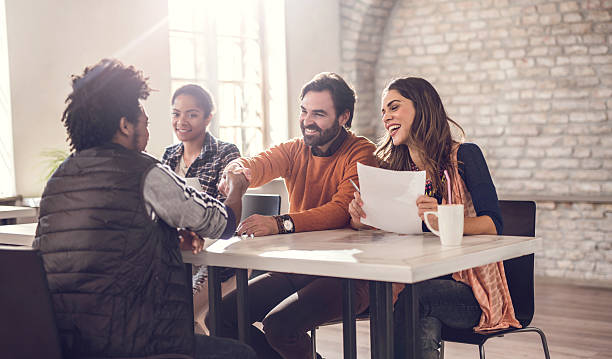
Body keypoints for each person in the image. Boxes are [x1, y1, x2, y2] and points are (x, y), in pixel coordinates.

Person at [33, 59, 256, 359]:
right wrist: (238, 188)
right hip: (135, 342)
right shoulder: (144, 170)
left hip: (66, 343)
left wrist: (165, 235)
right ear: (125, 125)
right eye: (145, 122)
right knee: (241, 354)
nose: (149, 130)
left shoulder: (59, 178)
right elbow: (222, 223)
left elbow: (108, 242)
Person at [208, 72, 378, 359]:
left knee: (280, 326)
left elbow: (340, 210)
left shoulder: (362, 152)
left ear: (343, 117)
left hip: (348, 275)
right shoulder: (295, 149)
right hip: (299, 267)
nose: (307, 121)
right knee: (220, 318)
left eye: (319, 114)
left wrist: (280, 223)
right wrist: (237, 169)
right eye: (304, 111)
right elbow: (258, 164)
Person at [348, 77, 520, 359]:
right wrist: (361, 217)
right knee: (399, 300)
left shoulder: (465, 156)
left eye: (394, 107)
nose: (386, 117)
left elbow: (493, 224)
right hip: (414, 279)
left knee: (415, 299)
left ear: (423, 108)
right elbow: (389, 225)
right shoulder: (394, 169)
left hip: (470, 289)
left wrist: (441, 217)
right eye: (383, 112)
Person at [162, 84, 241, 333]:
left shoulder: (225, 153)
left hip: (217, 259)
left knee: (182, 313)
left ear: (208, 117)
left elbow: (225, 211)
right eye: (176, 114)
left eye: (192, 114)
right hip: (179, 254)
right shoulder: (169, 156)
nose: (181, 121)